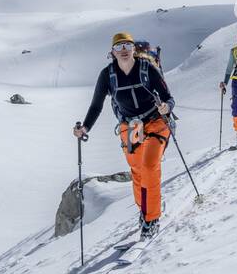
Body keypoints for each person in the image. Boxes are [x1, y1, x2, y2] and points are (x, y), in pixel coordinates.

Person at [74, 32, 174, 238]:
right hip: (131, 126)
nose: (124, 50)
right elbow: (96, 105)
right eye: (119, 47)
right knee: (137, 170)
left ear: (134, 49)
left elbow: (168, 98)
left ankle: (151, 218)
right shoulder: (107, 75)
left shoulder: (147, 69)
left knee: (149, 166)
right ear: (112, 52)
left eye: (127, 45)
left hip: (156, 121)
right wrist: (85, 128)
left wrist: (166, 107)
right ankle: (144, 209)